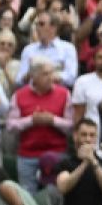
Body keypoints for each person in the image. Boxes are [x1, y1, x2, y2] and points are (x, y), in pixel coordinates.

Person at [6, 56, 74, 194]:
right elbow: (10, 125)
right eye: (45, 74)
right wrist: (31, 120)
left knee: (56, 197)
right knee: (28, 197)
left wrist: (52, 120)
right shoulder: (19, 95)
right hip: (27, 155)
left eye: (52, 72)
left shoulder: (64, 94)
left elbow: (71, 125)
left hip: (57, 154)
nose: (51, 77)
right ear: (33, 76)